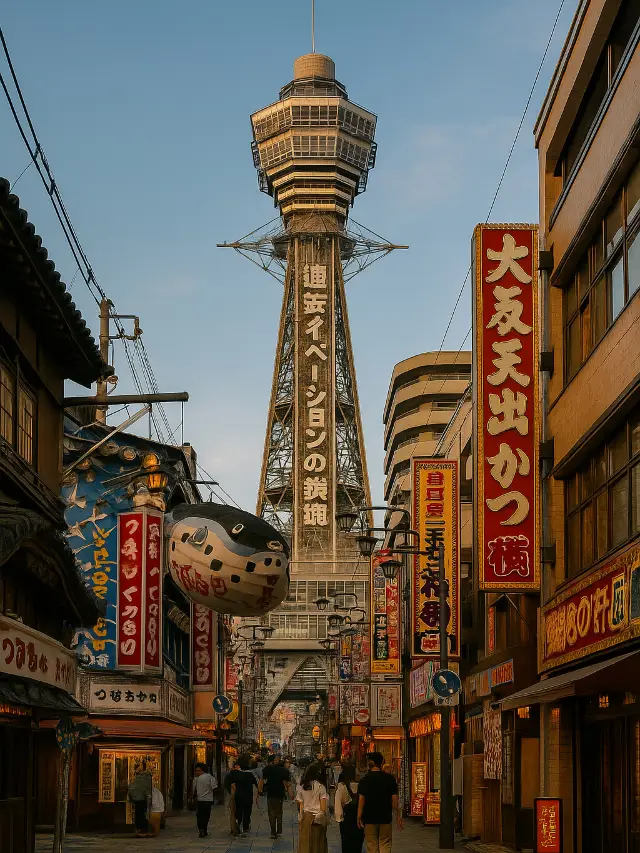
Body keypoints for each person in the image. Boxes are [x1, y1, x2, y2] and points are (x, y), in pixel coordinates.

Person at [357, 752, 402, 853]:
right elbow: (395, 799)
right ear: (381, 763)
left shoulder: (365, 780)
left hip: (369, 818)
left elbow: (361, 799)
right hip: (385, 817)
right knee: (385, 843)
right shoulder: (389, 779)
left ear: (371, 763)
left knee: (371, 844)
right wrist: (398, 815)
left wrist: (359, 816)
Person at [296, 763, 329, 853]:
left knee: (305, 844)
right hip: (317, 819)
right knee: (318, 844)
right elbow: (323, 807)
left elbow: (301, 805)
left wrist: (300, 818)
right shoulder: (321, 787)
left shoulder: (301, 787)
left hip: (305, 817)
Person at [226, 755, 259, 836]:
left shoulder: (235, 773)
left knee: (238, 811)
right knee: (247, 811)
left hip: (238, 795)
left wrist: (231, 792)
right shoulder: (250, 774)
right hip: (248, 796)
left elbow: (227, 782)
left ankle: (238, 826)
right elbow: (256, 784)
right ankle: (245, 827)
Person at [260, 754, 291, 839]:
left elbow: (263, 779)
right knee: (279, 812)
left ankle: (273, 832)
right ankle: (279, 830)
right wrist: (290, 794)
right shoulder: (284, 771)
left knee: (271, 813)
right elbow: (286, 783)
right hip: (279, 793)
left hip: (270, 793)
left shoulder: (267, 769)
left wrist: (259, 791)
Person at [335, 765, 364, 853]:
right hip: (359, 817)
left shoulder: (342, 787)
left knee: (347, 843)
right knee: (358, 843)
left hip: (346, 819)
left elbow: (338, 804)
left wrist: (339, 818)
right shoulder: (360, 785)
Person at [192, 762, 217, 838]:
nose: (196, 772)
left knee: (200, 816)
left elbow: (193, 790)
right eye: (196, 771)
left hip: (201, 800)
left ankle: (202, 830)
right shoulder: (210, 778)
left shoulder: (197, 779)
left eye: (198, 770)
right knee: (206, 816)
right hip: (207, 800)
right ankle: (203, 830)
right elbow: (214, 788)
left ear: (203, 770)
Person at [128, 765, 153, 838]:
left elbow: (130, 790)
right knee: (142, 814)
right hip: (142, 799)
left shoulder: (134, 781)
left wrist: (131, 799)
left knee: (138, 814)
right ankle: (142, 830)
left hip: (137, 800)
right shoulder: (145, 781)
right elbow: (146, 792)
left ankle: (139, 829)